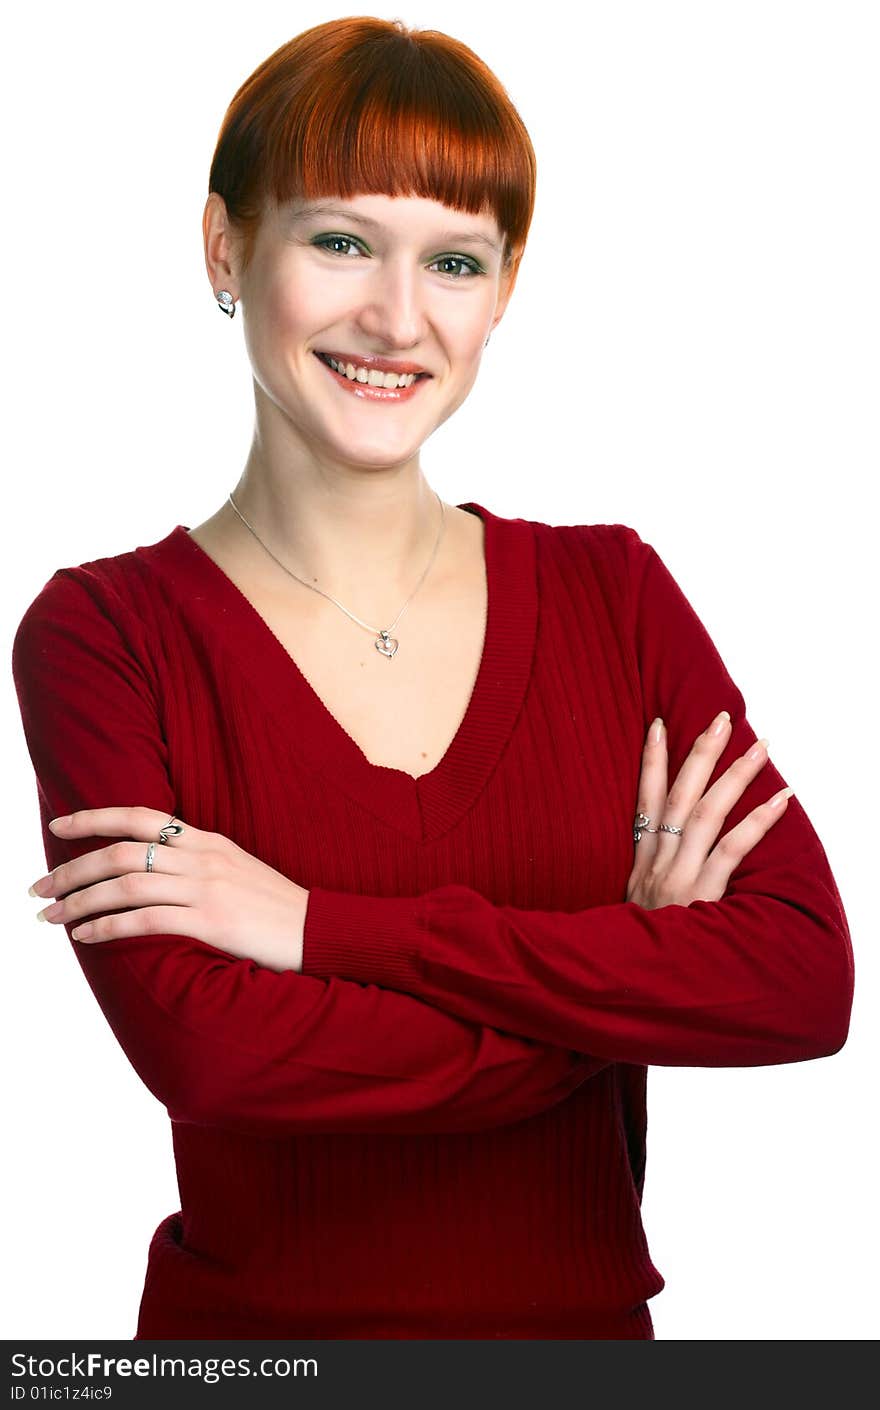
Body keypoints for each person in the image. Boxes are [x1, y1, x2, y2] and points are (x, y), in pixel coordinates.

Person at [11, 16, 853, 1341]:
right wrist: (624, 980)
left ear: (504, 289)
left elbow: (799, 981)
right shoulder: (102, 635)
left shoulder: (612, 596)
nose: (397, 319)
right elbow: (211, 1054)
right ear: (227, 247)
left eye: (453, 261)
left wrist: (315, 928)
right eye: (341, 240)